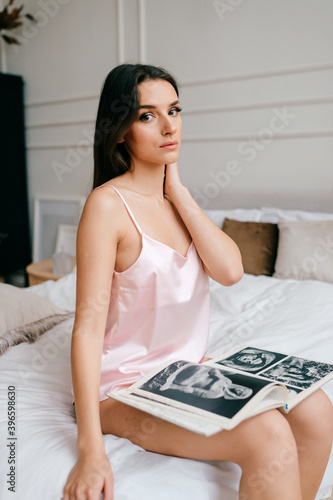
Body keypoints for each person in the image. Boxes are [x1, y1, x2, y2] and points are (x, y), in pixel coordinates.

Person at [63, 64, 333, 500]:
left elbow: (230, 272)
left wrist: (180, 193)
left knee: (318, 410)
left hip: (183, 373)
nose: (170, 126)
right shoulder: (107, 205)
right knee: (267, 435)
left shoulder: (179, 205)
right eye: (148, 115)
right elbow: (88, 327)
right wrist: (90, 449)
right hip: (121, 389)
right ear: (119, 131)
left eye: (175, 110)